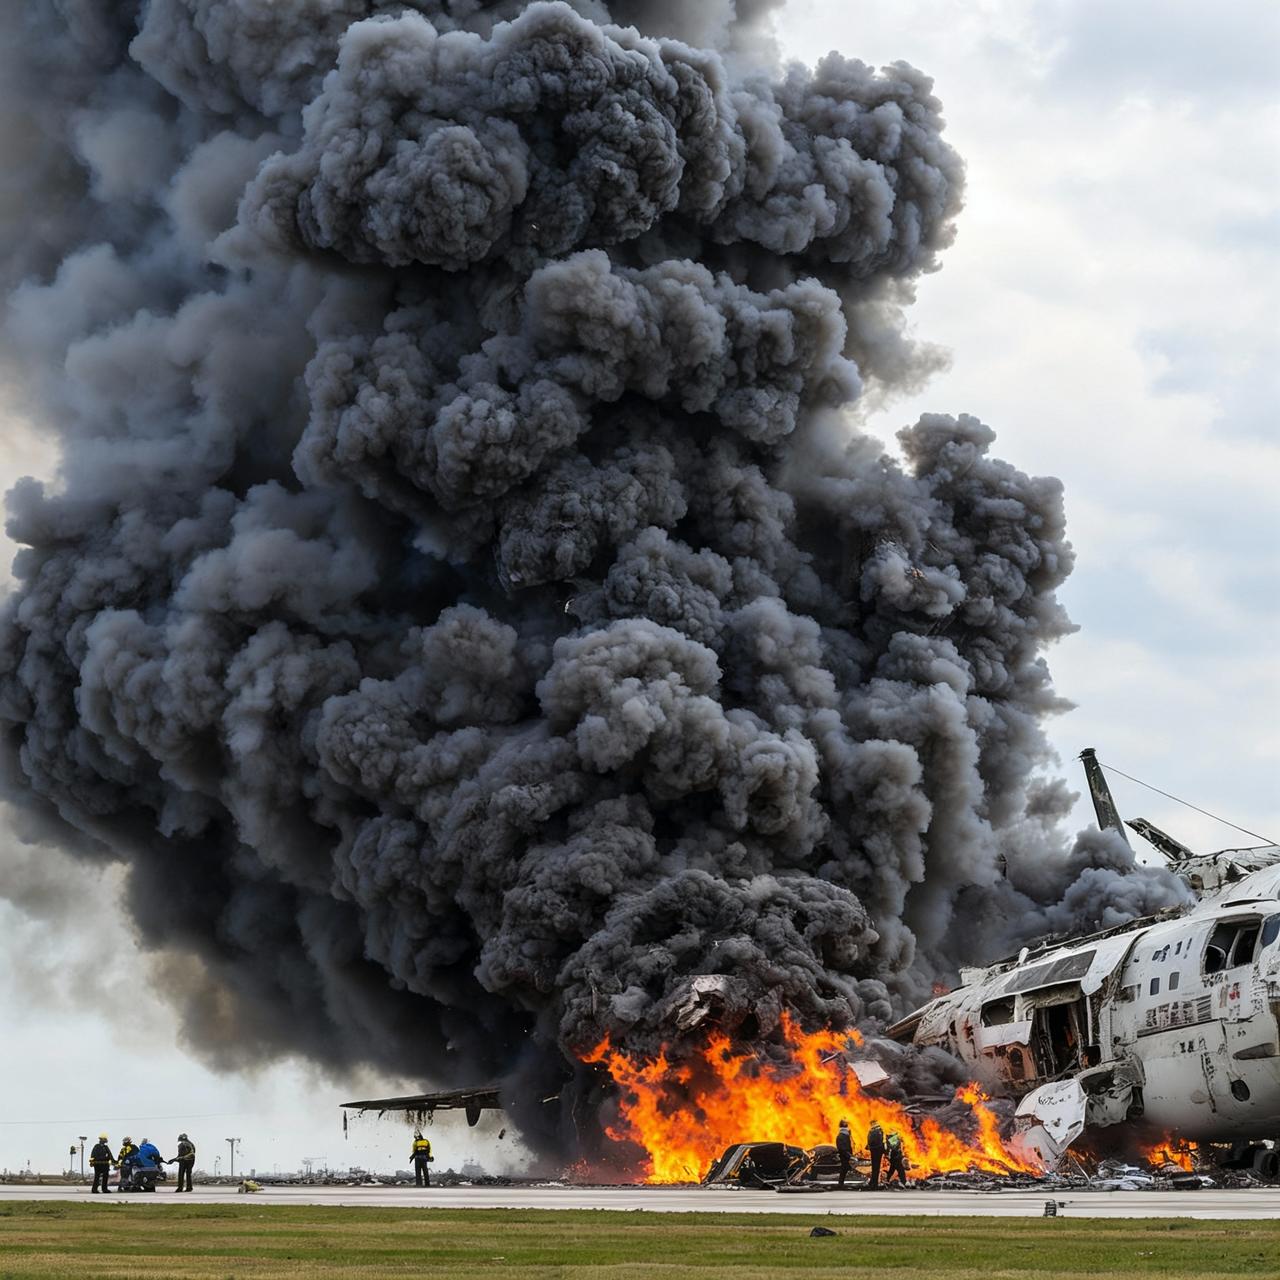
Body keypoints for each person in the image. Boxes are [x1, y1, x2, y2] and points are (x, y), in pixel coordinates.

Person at [865, 1120, 885, 1190]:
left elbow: (870, 1141)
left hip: (874, 1151)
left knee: (874, 1167)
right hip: (878, 1151)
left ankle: (873, 1183)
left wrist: (870, 1147)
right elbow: (882, 1141)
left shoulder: (872, 1131)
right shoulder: (879, 1130)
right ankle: (874, 1183)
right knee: (876, 1168)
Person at [835, 1119, 853, 1188]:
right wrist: (849, 1155)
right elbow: (842, 1148)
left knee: (845, 1168)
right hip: (844, 1155)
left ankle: (841, 1183)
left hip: (845, 1154)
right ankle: (840, 1183)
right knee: (844, 1168)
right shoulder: (842, 1136)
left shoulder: (844, 1135)